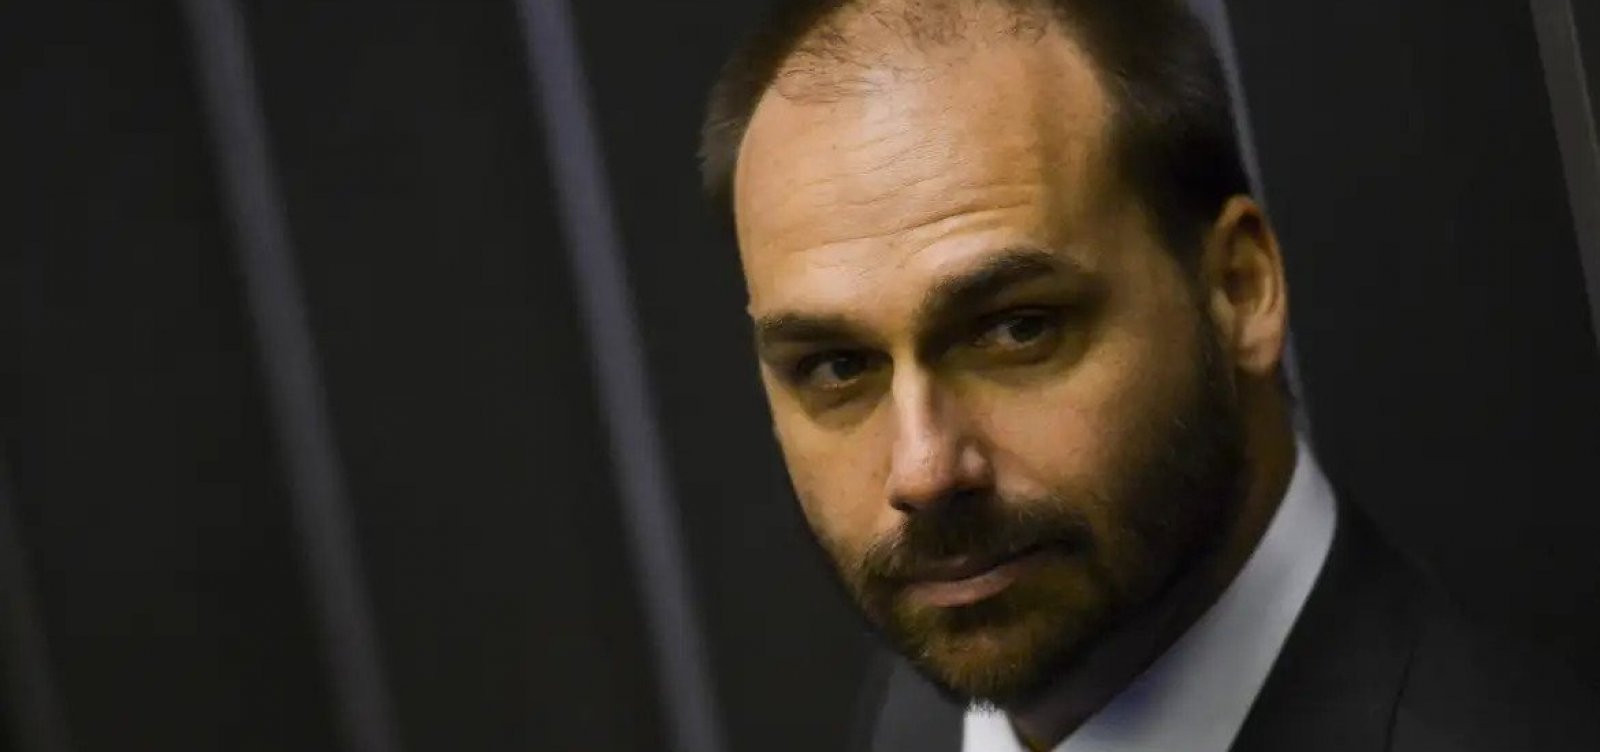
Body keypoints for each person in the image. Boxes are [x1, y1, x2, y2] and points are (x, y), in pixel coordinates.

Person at [697, 1, 1600, 750]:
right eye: (838, 366)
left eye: (1018, 329)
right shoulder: (928, 701)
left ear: (1238, 289)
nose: (924, 472)